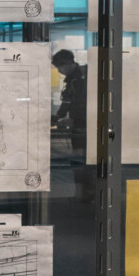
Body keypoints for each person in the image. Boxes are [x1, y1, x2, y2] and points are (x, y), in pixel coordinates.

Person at [52, 48, 92, 200]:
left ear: (68, 63)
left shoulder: (83, 78)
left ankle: (86, 193)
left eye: (60, 67)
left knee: (82, 160)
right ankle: (81, 193)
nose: (59, 71)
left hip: (84, 126)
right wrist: (58, 116)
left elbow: (86, 104)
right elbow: (67, 101)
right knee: (79, 160)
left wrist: (74, 120)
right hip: (78, 126)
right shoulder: (72, 79)